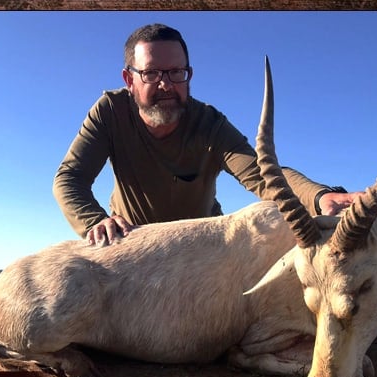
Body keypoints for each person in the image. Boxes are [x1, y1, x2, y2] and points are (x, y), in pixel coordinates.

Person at [53, 23, 361, 246]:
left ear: (189, 75)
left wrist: (320, 197)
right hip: (132, 243)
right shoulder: (110, 111)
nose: (166, 84)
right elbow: (69, 178)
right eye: (151, 73)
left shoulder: (210, 123)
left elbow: (262, 174)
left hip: (201, 247)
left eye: (177, 72)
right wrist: (96, 221)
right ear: (129, 79)